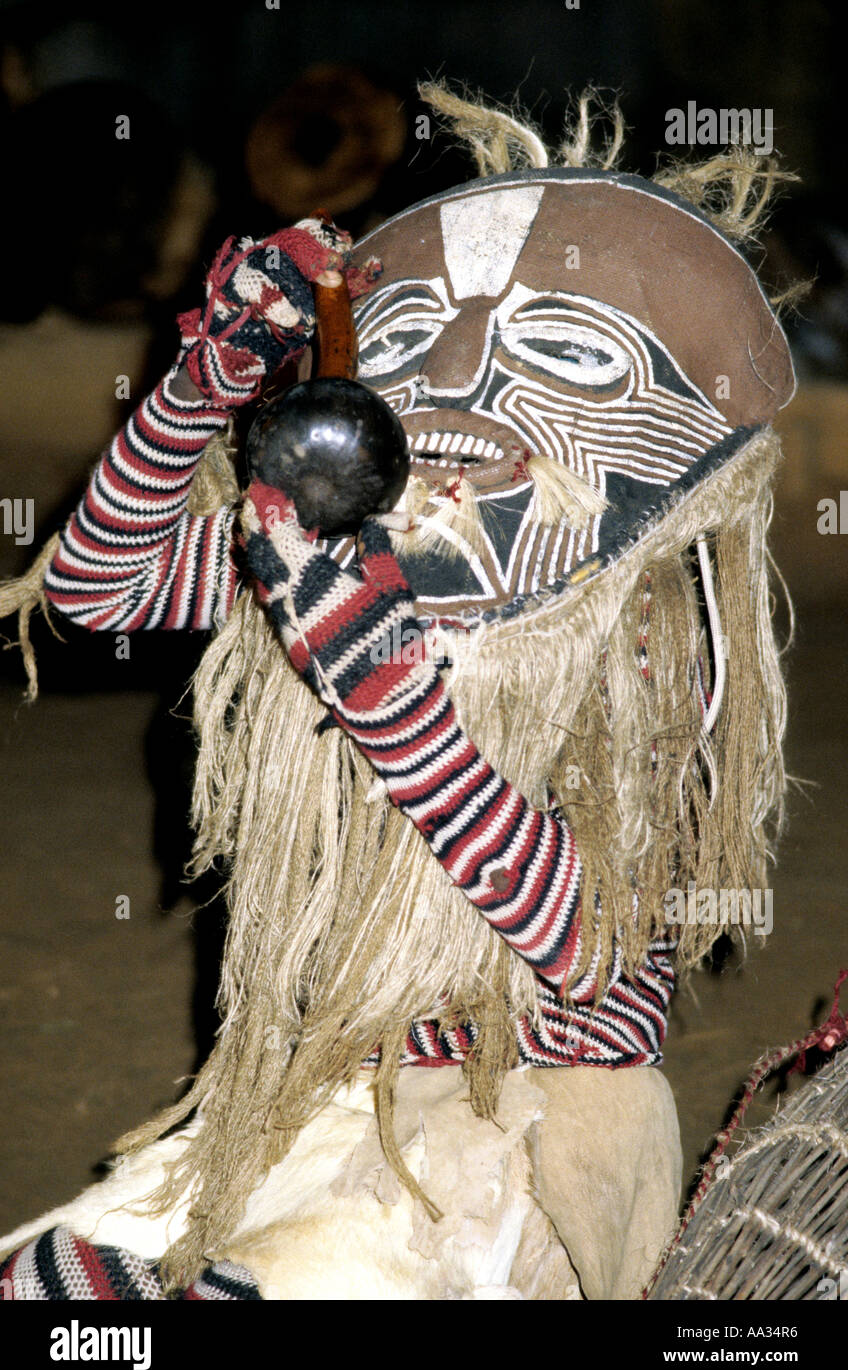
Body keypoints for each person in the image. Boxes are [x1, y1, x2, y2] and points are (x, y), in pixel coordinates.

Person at [0, 85, 795, 1300]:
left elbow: (599, 967)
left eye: (564, 352)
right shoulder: (338, 563)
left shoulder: (641, 652)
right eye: (418, 335)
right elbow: (99, 589)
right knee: (55, 1291)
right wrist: (195, 388)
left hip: (521, 1141)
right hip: (342, 1090)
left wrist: (384, 694)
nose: (460, 377)